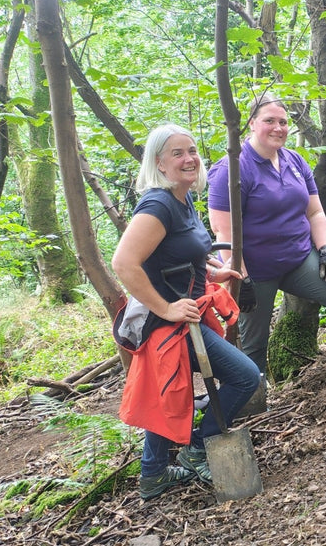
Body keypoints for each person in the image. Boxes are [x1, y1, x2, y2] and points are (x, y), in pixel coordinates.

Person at [112, 124, 261, 500]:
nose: (189, 158)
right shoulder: (159, 204)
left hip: (185, 313)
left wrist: (213, 270)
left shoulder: (182, 198)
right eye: (177, 153)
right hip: (167, 321)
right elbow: (124, 262)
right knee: (245, 377)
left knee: (169, 392)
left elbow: (181, 251)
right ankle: (198, 448)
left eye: (192, 150)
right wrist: (166, 307)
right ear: (159, 163)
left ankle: (153, 476)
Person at [206, 94, 326, 372]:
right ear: (252, 123)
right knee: (254, 339)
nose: (278, 128)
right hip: (255, 271)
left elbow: (314, 212)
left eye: (283, 122)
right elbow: (223, 231)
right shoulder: (232, 168)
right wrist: (240, 279)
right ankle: (253, 399)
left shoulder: (294, 161)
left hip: (297, 258)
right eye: (269, 121)